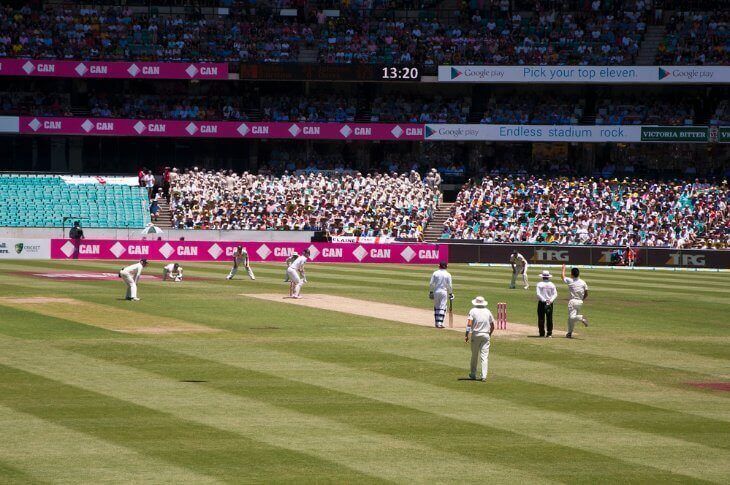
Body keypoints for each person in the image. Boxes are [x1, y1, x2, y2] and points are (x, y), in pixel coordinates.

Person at [465, 296, 495, 382]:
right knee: (484, 356)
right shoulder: (488, 311)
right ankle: (484, 376)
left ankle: (473, 374)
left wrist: (466, 335)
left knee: (474, 355)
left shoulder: (473, 310)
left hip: (476, 334)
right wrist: (489, 334)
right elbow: (493, 326)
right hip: (486, 335)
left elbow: (469, 324)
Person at [561, 264, 589, 338]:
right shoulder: (583, 282)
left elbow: (563, 277)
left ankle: (581, 318)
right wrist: (582, 299)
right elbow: (586, 293)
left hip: (573, 302)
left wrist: (563, 269)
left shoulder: (570, 280)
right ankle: (569, 333)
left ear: (572, 274)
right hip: (580, 302)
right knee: (571, 319)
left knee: (572, 317)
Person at [429, 262, 453, 329]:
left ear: (439, 266)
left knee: (436, 307)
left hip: (436, 291)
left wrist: (431, 292)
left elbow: (431, 284)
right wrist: (450, 293)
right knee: (442, 307)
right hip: (444, 292)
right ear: (446, 266)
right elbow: (450, 285)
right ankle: (440, 323)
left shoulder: (435, 273)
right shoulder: (448, 274)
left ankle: (437, 323)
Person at [535, 270, 557, 337]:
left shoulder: (539, 284)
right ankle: (549, 333)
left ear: (542, 277)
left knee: (541, 318)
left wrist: (544, 300)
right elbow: (555, 294)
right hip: (550, 303)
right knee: (549, 318)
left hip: (542, 303)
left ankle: (542, 333)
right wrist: (550, 301)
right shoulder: (552, 284)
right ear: (548, 277)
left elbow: (538, 294)